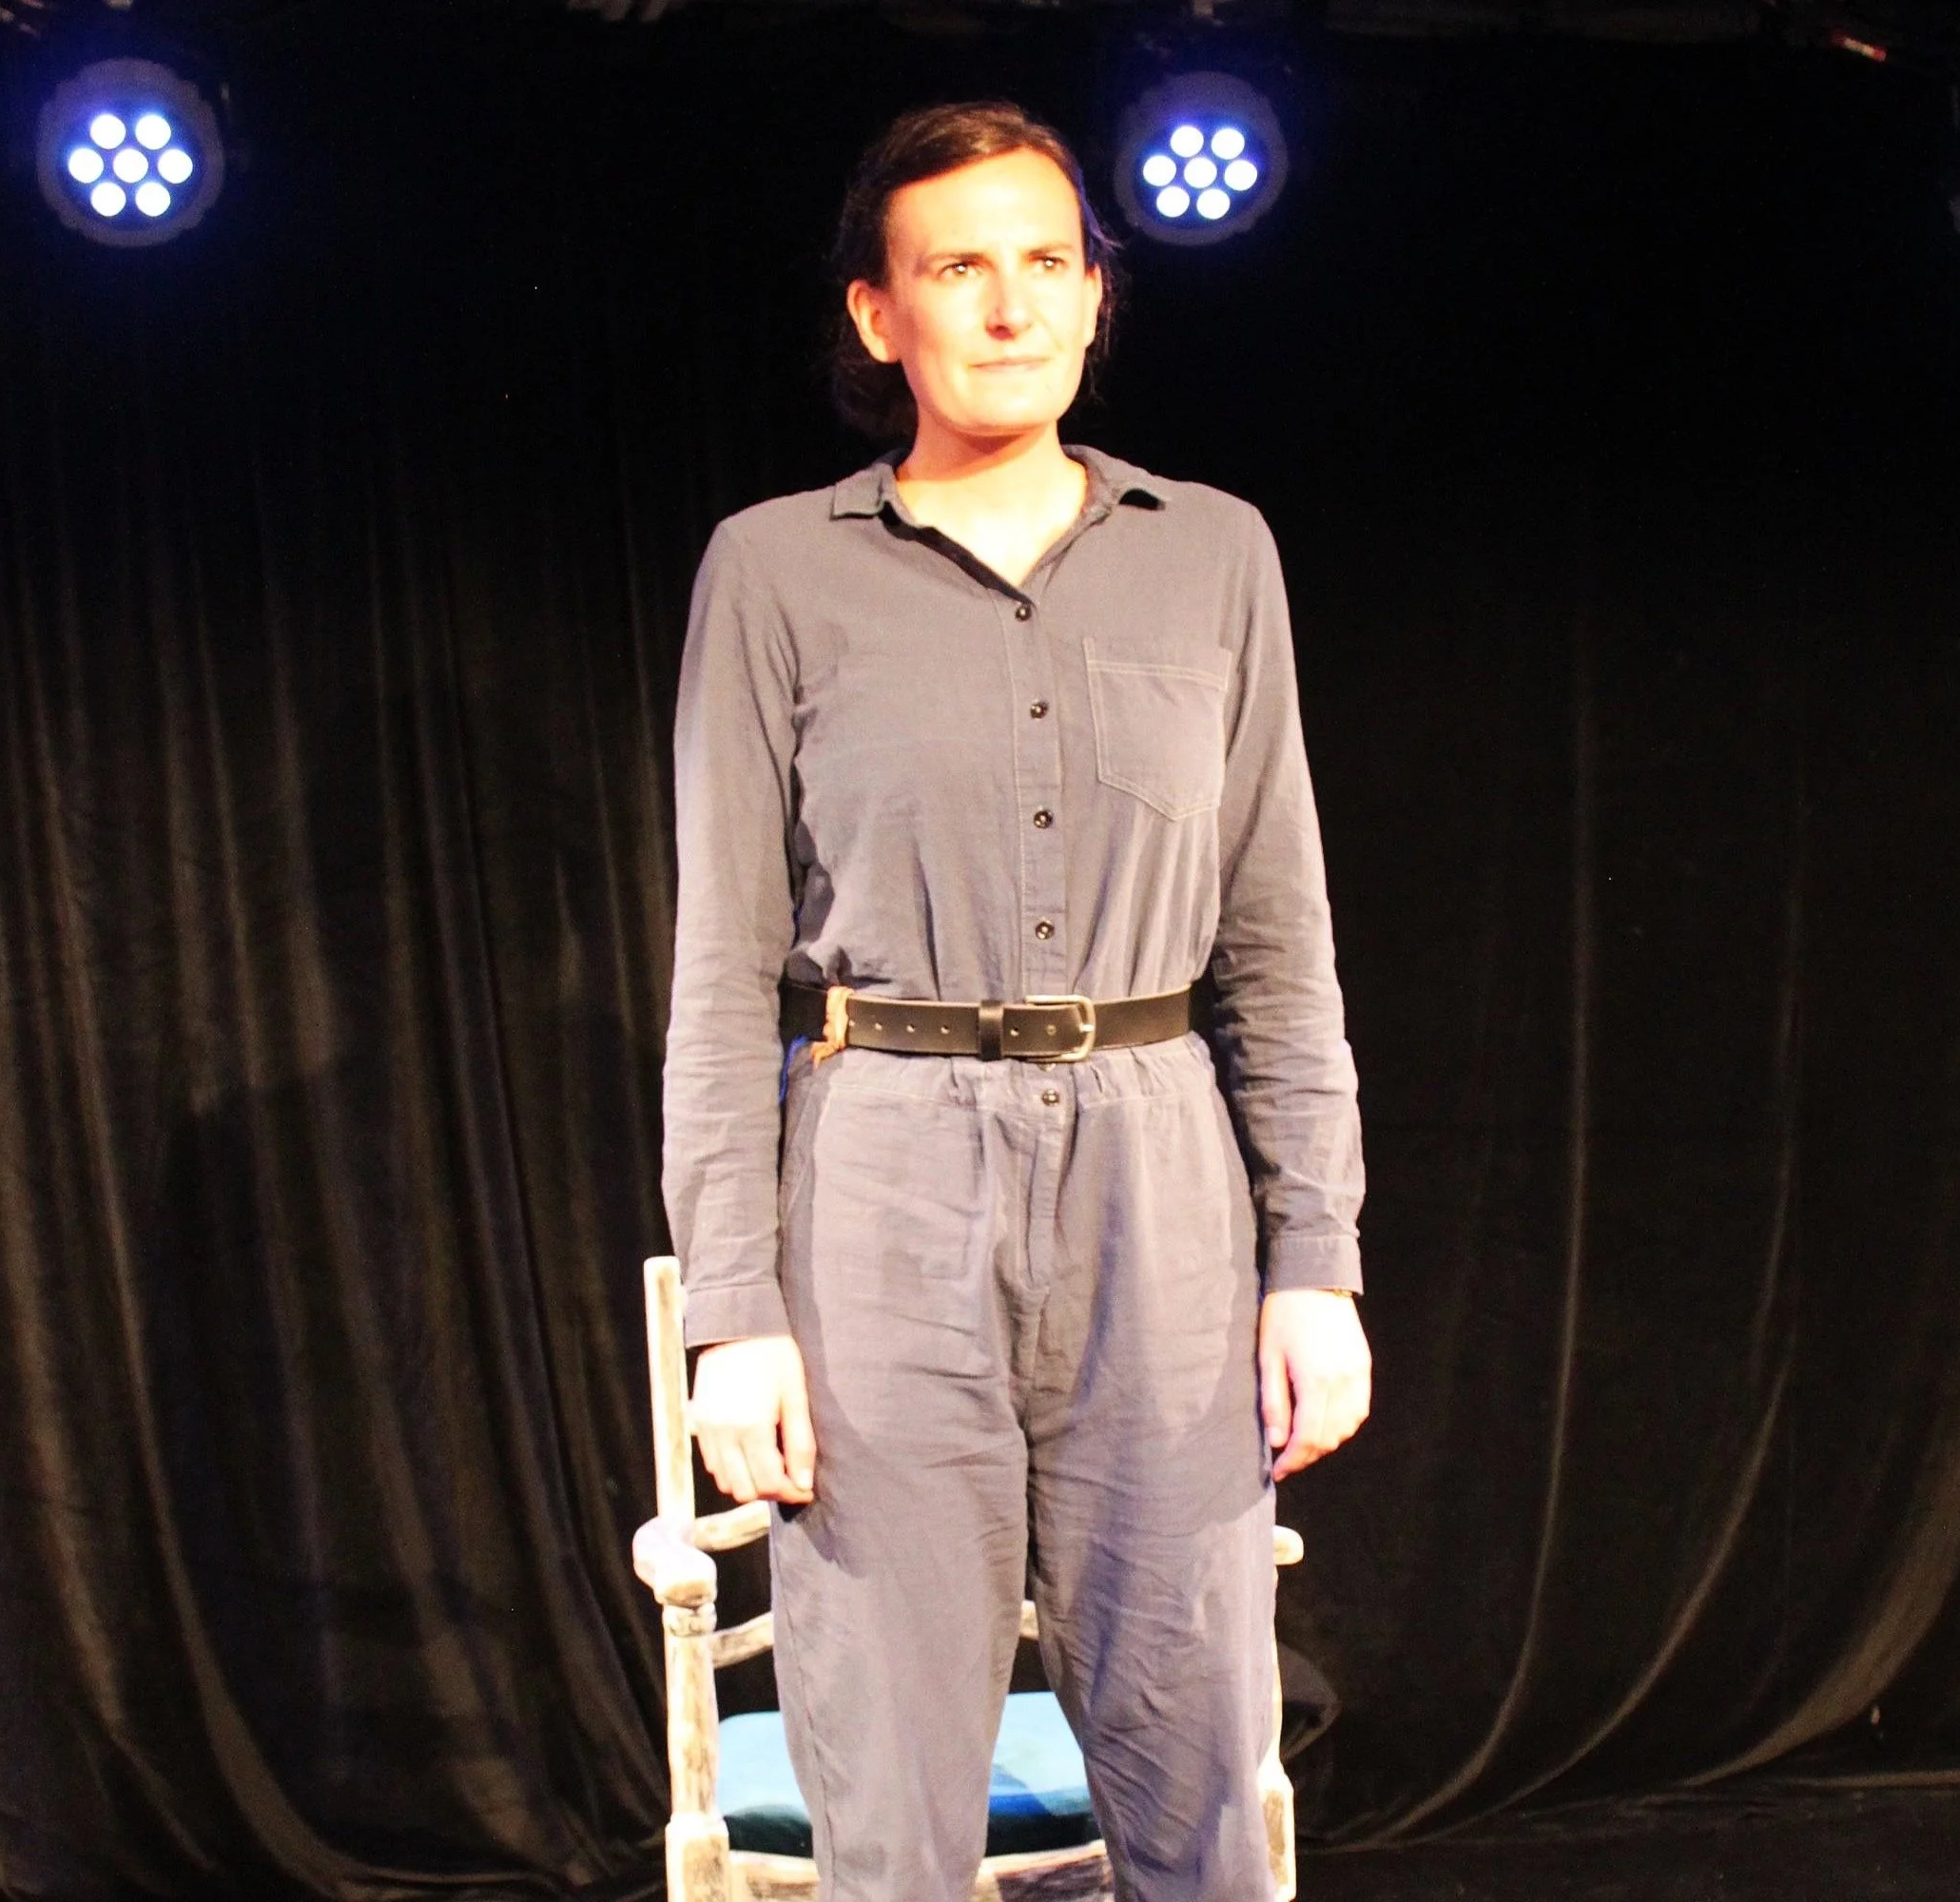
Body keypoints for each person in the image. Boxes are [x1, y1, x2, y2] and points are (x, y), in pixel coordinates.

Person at [660, 99, 1369, 1902]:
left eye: (1047, 261)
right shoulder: (775, 570)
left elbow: (1279, 945)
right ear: (878, 313)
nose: (1009, 304)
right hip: (884, 1177)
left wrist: (1318, 1259)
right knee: (893, 1784)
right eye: (957, 266)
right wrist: (733, 1313)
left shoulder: (1215, 553)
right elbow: (723, 971)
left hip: (1161, 1176)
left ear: (1095, 294)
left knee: (1196, 1754)